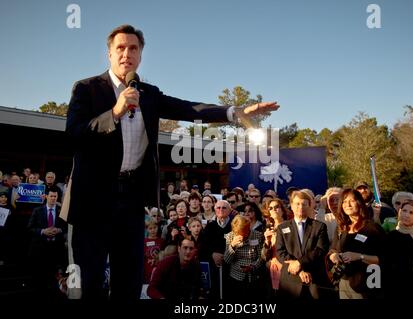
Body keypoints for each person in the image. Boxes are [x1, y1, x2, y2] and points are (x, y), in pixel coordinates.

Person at [65, 24, 278, 299]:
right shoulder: (86, 89)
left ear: (140, 55)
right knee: (88, 284)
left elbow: (188, 108)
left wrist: (234, 112)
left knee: (128, 281)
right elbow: (74, 134)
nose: (126, 54)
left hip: (130, 199)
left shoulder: (148, 93)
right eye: (120, 48)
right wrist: (114, 113)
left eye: (133, 48)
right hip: (91, 201)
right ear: (109, 54)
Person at [275, 191, 329, 299]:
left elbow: (320, 250)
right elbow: (280, 252)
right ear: (291, 205)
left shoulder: (319, 227)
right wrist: (299, 270)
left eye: (304, 204)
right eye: (297, 204)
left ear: (309, 206)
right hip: (290, 282)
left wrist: (300, 263)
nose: (300, 207)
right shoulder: (282, 228)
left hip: (314, 280)